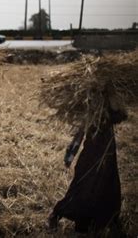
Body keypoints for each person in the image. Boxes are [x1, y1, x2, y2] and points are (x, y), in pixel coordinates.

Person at [48, 93, 128, 233]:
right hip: (92, 152)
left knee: (108, 185)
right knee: (83, 184)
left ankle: (106, 221)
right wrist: (70, 154)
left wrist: (113, 105)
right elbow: (80, 131)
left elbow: (122, 115)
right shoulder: (90, 98)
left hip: (108, 151)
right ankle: (57, 214)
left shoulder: (111, 95)